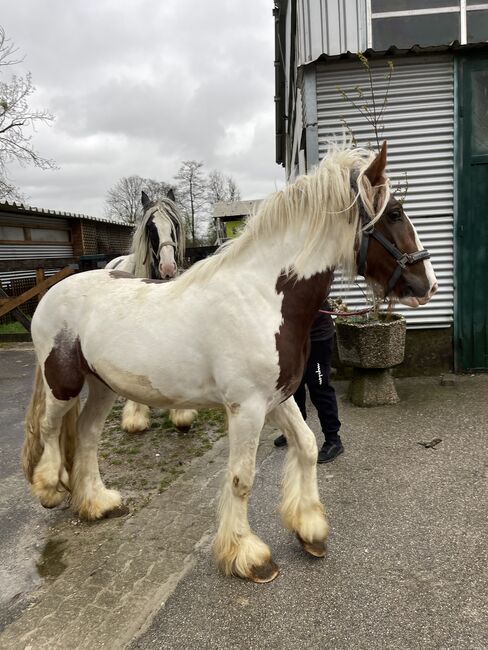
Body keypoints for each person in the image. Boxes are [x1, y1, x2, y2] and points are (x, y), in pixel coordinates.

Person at [274, 297, 343, 463]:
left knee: (319, 386)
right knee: (293, 385)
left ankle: (333, 440)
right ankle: (296, 429)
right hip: (293, 338)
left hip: (318, 336)